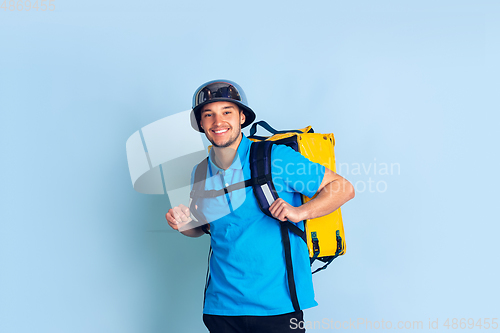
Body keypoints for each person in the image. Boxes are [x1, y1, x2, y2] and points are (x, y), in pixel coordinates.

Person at [166, 80, 355, 333]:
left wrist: (300, 212)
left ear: (242, 117)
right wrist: (183, 224)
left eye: (226, 112)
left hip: (277, 307)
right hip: (220, 308)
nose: (217, 121)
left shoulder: (275, 157)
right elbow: (203, 228)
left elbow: (343, 187)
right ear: (200, 123)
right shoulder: (200, 171)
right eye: (208, 114)